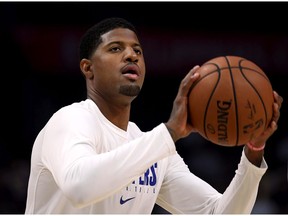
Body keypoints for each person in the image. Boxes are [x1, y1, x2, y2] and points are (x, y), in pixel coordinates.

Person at [25, 17, 283, 214]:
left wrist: (253, 150)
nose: (131, 55)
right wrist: (169, 133)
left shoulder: (154, 149)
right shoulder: (70, 120)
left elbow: (218, 212)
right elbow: (80, 188)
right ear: (87, 68)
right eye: (115, 49)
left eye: (137, 50)